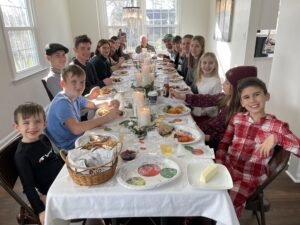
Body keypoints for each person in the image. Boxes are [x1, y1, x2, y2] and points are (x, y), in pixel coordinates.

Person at [216, 77, 300, 218]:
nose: (253, 100)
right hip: (227, 166)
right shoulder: (237, 118)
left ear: (267, 96)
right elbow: (224, 142)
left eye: (257, 94)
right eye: (247, 97)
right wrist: (219, 163)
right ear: (242, 102)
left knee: (226, 205)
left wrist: (276, 137)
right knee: (204, 191)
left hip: (249, 177)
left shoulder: (278, 126)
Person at [170, 66, 257, 149]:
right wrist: (182, 96)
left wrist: (206, 137)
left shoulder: (241, 113)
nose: (223, 83)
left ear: (236, 88)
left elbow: (230, 138)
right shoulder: (225, 97)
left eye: (227, 83)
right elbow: (206, 99)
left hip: (212, 142)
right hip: (205, 129)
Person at [46, 64, 122, 150]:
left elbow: (92, 105)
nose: (79, 86)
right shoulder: (62, 102)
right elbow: (76, 129)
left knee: (114, 131)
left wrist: (110, 103)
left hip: (79, 137)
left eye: (82, 82)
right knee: (115, 140)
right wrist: (107, 117)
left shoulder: (75, 96)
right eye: (73, 82)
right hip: (70, 147)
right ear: (63, 84)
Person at [13, 102, 64, 225]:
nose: (32, 126)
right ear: (17, 127)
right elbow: (28, 187)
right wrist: (40, 211)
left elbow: (55, 159)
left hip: (64, 178)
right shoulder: (22, 155)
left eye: (37, 121)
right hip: (54, 190)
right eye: (26, 122)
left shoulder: (43, 139)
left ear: (44, 124)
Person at [190, 52, 222, 119]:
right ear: (200, 64)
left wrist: (200, 112)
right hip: (197, 110)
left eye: (211, 63)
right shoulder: (200, 77)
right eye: (204, 63)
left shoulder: (216, 82)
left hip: (207, 116)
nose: (207, 66)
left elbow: (215, 104)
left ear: (215, 66)